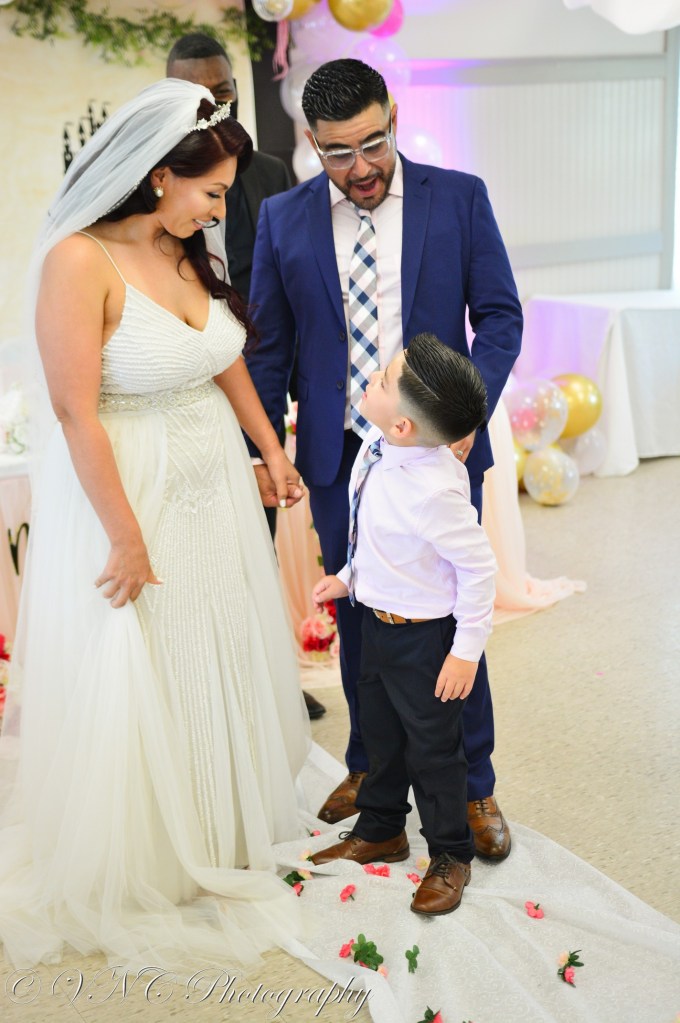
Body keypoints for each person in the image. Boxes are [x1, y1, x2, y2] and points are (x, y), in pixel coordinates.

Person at [0, 79, 311, 973]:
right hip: (132, 487)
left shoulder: (184, 250)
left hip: (214, 483)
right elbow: (74, 411)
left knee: (219, 636)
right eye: (212, 192)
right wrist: (125, 535)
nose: (220, 210)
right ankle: (161, 851)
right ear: (160, 174)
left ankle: (224, 818)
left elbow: (221, 356)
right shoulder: (79, 261)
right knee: (155, 653)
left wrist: (271, 449)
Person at [246, 58, 523, 857]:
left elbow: (500, 318)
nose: (362, 166)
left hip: (438, 454)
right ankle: (374, 773)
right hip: (339, 456)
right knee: (363, 619)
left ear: (393, 117)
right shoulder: (284, 219)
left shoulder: (458, 197)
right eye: (340, 152)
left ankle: (472, 784)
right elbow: (269, 347)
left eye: (374, 142)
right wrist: (267, 448)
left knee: (445, 614)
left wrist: (462, 414)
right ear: (311, 142)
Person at [308, 333, 496, 915]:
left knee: (434, 753)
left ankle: (451, 854)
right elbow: (374, 533)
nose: (371, 377)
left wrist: (465, 651)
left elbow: (479, 569)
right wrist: (348, 577)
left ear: (404, 426)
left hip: (423, 640)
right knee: (381, 736)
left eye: (383, 380)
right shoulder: (376, 446)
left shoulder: (435, 491)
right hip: (375, 623)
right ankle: (382, 828)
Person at [167, 33, 326, 721]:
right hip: (180, 390)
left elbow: (293, 285)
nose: (213, 106)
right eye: (196, 96)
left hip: (255, 381)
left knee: (258, 544)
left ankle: (271, 686)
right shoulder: (152, 184)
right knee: (202, 552)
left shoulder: (269, 173)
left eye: (223, 93)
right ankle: (210, 691)